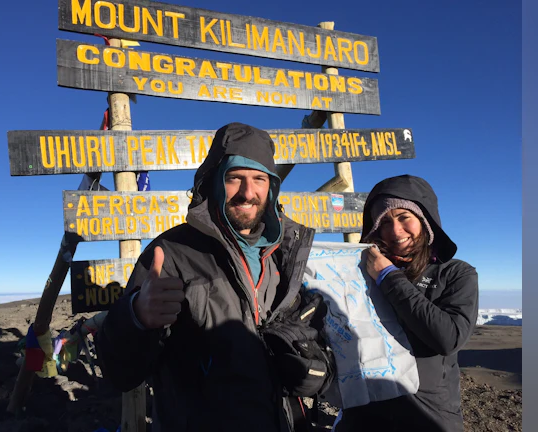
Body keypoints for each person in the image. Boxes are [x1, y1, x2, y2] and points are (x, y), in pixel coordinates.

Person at [96, 122, 335, 432]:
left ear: (271, 187)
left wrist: (313, 366)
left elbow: (309, 338)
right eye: (235, 177)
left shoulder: (283, 255)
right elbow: (120, 374)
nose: (248, 192)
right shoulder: (172, 253)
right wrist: (135, 317)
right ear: (213, 182)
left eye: (259, 179)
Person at [333, 175, 479, 432]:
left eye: (404, 217)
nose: (395, 231)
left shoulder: (455, 274)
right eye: (384, 222)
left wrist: (389, 277)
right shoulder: (360, 273)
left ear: (425, 220)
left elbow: (447, 338)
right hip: (365, 413)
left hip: (427, 416)